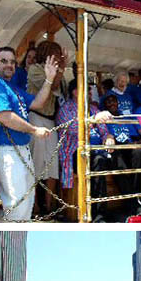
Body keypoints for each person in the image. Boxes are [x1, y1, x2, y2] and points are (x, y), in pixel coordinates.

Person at [0, 47, 59, 221]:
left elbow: (37, 103)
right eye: (4, 61)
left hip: (21, 149)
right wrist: (34, 130)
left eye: (12, 62)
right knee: (17, 202)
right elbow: (4, 116)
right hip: (6, 150)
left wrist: (49, 79)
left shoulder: (12, 88)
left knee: (26, 202)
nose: (9, 65)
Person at [56, 80, 115, 220]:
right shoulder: (66, 109)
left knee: (122, 157)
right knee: (97, 161)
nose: (89, 93)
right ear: (75, 92)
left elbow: (103, 130)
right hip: (74, 153)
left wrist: (108, 138)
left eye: (89, 90)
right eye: (86, 90)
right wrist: (94, 119)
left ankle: (133, 202)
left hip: (95, 150)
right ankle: (97, 214)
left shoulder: (93, 109)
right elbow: (75, 129)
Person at [27, 41, 67, 215]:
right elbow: (53, 85)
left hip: (51, 121)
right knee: (35, 163)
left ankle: (49, 206)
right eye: (56, 54)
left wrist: (61, 69)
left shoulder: (58, 72)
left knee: (52, 164)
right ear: (47, 53)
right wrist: (61, 69)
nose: (58, 58)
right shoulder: (35, 69)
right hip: (36, 118)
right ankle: (34, 205)